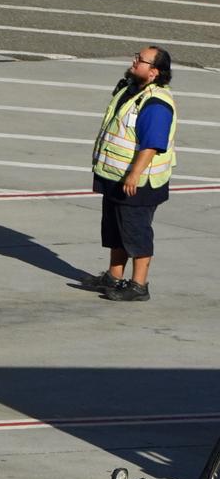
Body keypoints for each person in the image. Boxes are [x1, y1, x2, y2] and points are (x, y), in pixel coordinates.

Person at [89, 46, 176, 301]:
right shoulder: (130, 90)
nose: (134, 61)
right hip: (115, 175)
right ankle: (113, 278)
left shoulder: (156, 103)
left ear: (154, 72)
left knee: (136, 232)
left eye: (140, 60)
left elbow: (152, 143)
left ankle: (139, 286)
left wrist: (134, 175)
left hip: (138, 182)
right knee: (115, 230)